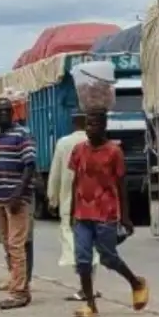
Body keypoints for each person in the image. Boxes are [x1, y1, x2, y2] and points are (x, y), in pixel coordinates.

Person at [69, 110, 149, 317]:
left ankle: (135, 282)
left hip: (106, 213)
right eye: (87, 125)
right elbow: (75, 181)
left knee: (108, 257)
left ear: (104, 126)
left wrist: (125, 216)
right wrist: (71, 212)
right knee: (83, 259)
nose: (89, 129)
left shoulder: (114, 152)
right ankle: (90, 303)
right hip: (82, 213)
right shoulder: (78, 150)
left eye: (94, 124)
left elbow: (121, 186)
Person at [0, 97, 36, 309]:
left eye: (6, 111)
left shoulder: (22, 134)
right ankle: (16, 282)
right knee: (8, 244)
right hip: (0, 196)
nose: (3, 115)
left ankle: (19, 292)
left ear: (13, 113)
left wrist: (18, 194)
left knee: (16, 245)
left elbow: (29, 165)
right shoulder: (0, 136)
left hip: (16, 199)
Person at [47, 113, 98, 300]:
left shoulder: (64, 143)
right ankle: (90, 285)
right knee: (91, 245)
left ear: (73, 123)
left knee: (76, 246)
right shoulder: (96, 141)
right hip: (95, 201)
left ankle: (85, 288)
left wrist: (52, 199)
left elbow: (56, 174)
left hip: (71, 201)